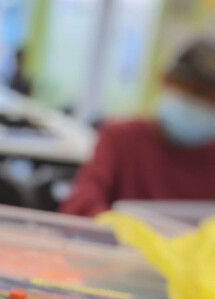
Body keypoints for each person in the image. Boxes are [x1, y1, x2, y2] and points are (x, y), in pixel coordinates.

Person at [61, 40, 215, 217]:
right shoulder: (120, 139)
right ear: (167, 80)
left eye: (213, 100)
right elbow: (80, 206)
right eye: (197, 91)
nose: (203, 104)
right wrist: (120, 231)